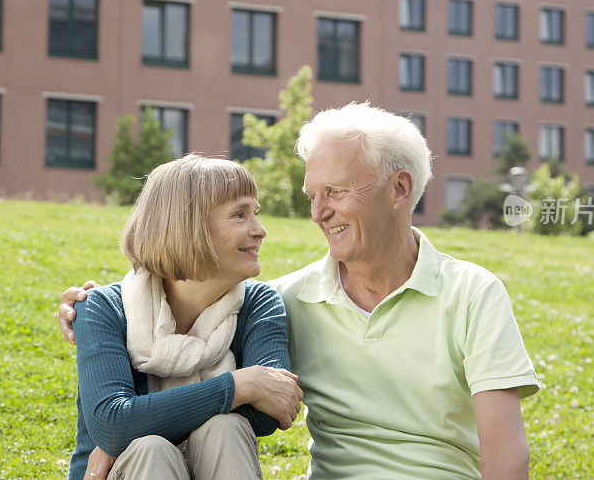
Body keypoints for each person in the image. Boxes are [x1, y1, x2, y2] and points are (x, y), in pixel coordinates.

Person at [61, 103, 539, 479]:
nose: (317, 213)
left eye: (336, 191)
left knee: (219, 429)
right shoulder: (292, 298)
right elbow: (175, 314)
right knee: (157, 445)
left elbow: (506, 458)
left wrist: (139, 420)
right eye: (313, 195)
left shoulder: (474, 293)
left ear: (399, 189)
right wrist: (125, 422)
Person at [65, 154, 302, 480]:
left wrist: (138, 421)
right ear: (186, 225)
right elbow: (113, 424)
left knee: (226, 428)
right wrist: (240, 386)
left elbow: (271, 410)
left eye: (255, 213)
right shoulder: (103, 307)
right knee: (151, 448)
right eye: (239, 214)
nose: (260, 230)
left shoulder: (258, 303)